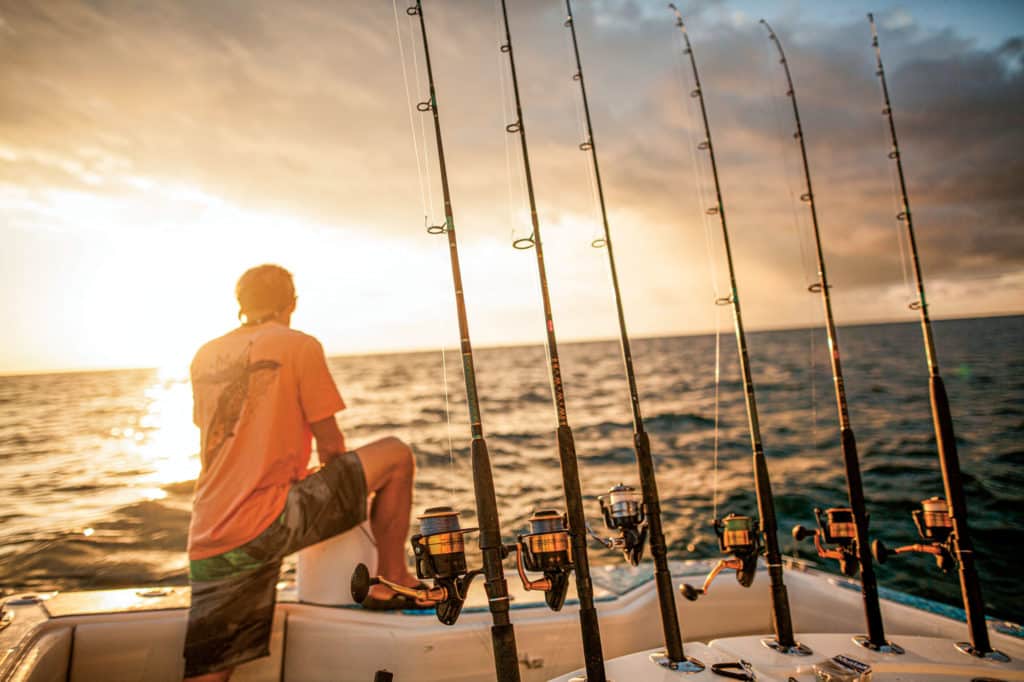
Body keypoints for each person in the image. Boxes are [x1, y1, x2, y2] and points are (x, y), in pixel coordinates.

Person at [183, 264, 430, 682]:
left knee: (210, 671)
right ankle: (389, 580)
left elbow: (220, 437)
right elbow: (330, 446)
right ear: (291, 304)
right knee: (396, 456)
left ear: (241, 304)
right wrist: (323, 480)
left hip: (211, 530)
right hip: (271, 519)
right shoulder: (299, 346)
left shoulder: (204, 355)